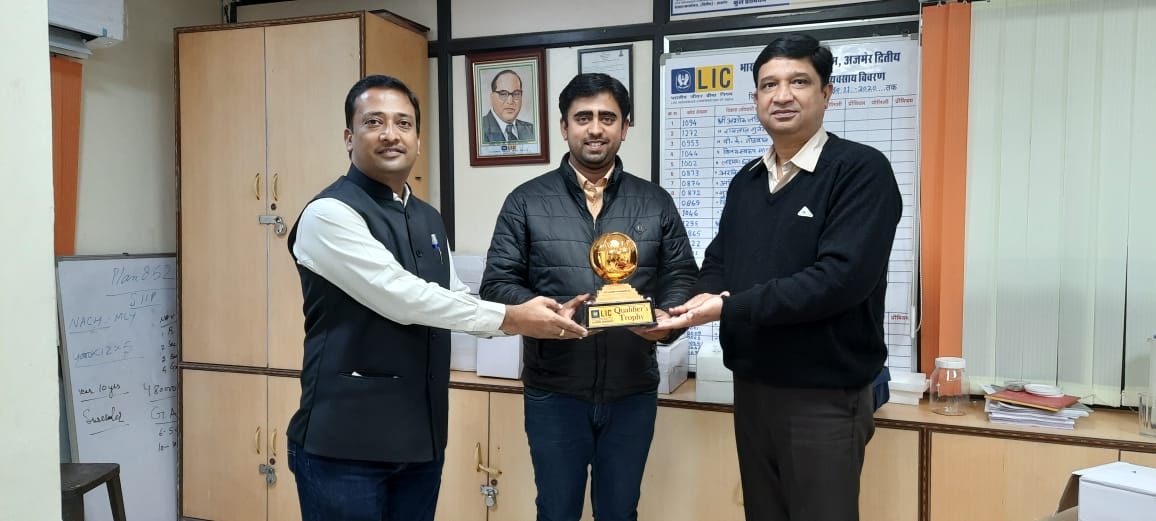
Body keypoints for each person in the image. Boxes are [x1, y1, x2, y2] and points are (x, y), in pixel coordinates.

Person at [284, 75, 588, 521]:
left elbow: (453, 298)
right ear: (350, 138)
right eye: (375, 122)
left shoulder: (426, 216)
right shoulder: (329, 214)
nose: (391, 134)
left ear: (419, 139)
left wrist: (537, 313)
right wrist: (512, 317)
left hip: (420, 439)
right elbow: (403, 297)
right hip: (345, 448)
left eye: (403, 123)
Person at [652, 34, 903, 521]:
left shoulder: (861, 171)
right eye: (769, 84)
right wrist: (675, 318)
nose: (782, 95)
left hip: (823, 397)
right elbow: (719, 267)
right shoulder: (746, 180)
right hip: (752, 388)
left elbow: (840, 279)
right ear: (755, 99)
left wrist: (730, 306)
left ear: (826, 93)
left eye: (798, 82)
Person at [480, 73, 698, 521]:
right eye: (583, 118)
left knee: (620, 512)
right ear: (564, 127)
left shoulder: (655, 202)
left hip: (632, 391)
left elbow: (682, 278)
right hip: (554, 392)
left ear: (624, 127)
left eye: (606, 117)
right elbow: (497, 283)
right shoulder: (525, 201)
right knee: (556, 511)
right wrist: (539, 312)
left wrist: (665, 319)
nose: (595, 128)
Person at [481, 69, 535, 143]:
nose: (510, 101)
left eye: (516, 94)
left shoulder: (532, 130)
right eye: (503, 94)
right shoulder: (479, 129)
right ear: (492, 97)